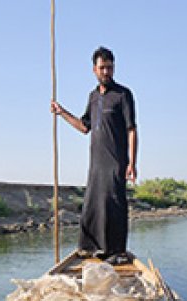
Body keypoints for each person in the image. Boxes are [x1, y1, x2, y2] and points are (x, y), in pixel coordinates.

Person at [51, 46, 138, 264]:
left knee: (114, 204)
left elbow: (132, 130)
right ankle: (93, 248)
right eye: (102, 68)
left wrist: (132, 163)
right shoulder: (92, 97)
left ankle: (116, 252)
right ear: (94, 70)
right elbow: (84, 127)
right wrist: (62, 113)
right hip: (96, 162)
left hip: (116, 160)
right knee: (93, 204)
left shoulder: (123, 95)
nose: (107, 72)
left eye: (110, 67)